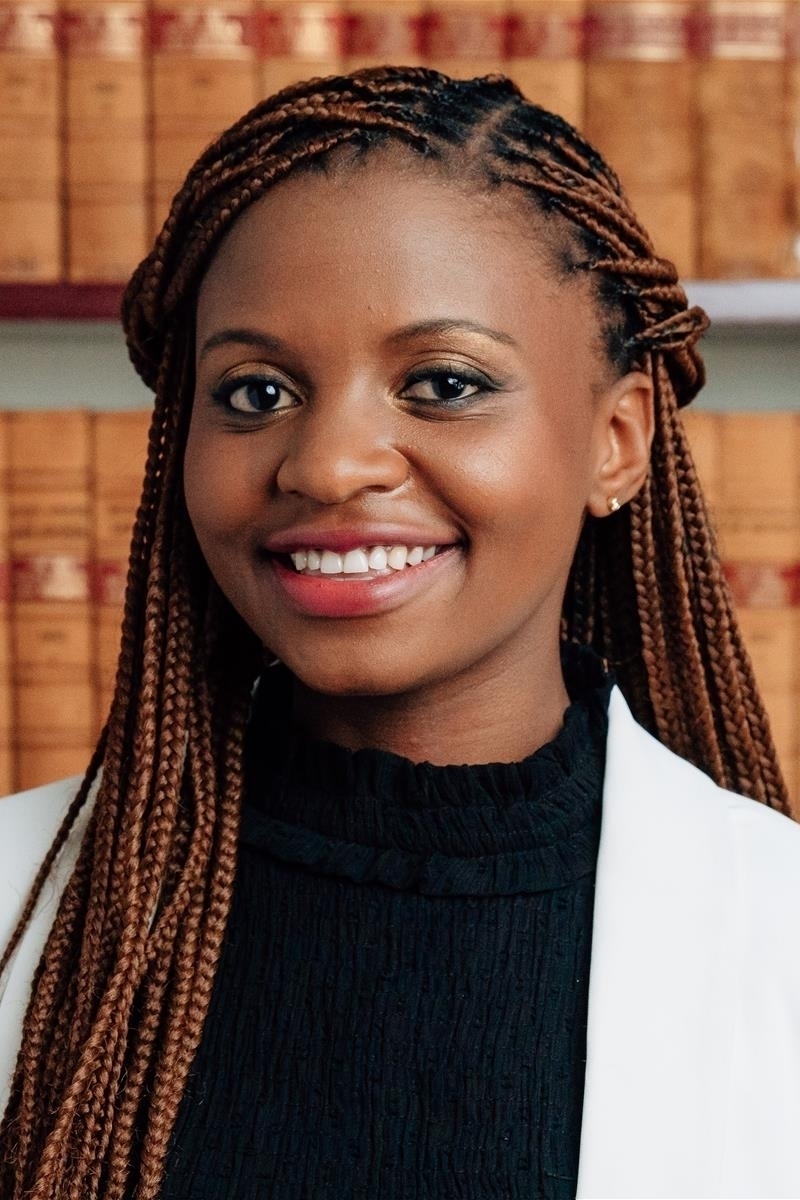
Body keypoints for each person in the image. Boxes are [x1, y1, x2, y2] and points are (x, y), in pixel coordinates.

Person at [1, 66, 800, 1200]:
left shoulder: (774, 932)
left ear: (616, 441)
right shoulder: (18, 901)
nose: (328, 465)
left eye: (443, 383)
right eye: (256, 393)